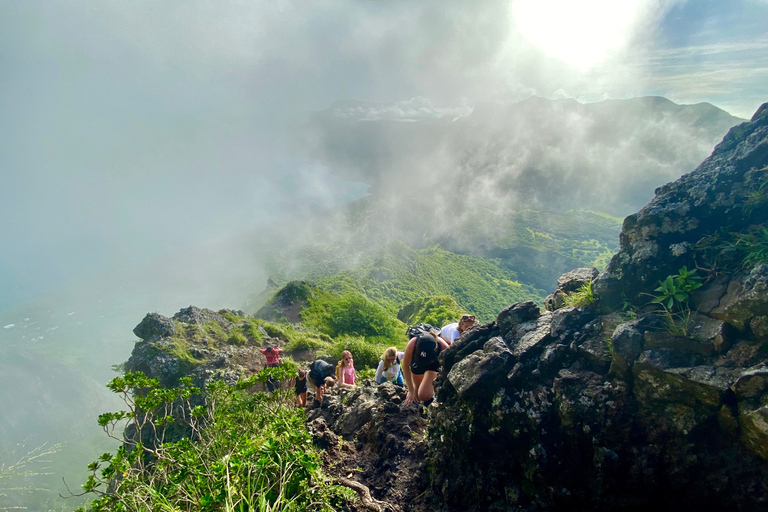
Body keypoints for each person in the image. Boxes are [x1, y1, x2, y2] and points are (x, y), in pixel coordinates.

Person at [402, 327, 450, 406]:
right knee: (416, 396)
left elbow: (450, 366)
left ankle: (430, 401)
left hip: (433, 364)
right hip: (418, 361)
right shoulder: (412, 344)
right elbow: (405, 366)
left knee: (424, 395)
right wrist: (410, 390)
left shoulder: (443, 346)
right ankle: (419, 410)